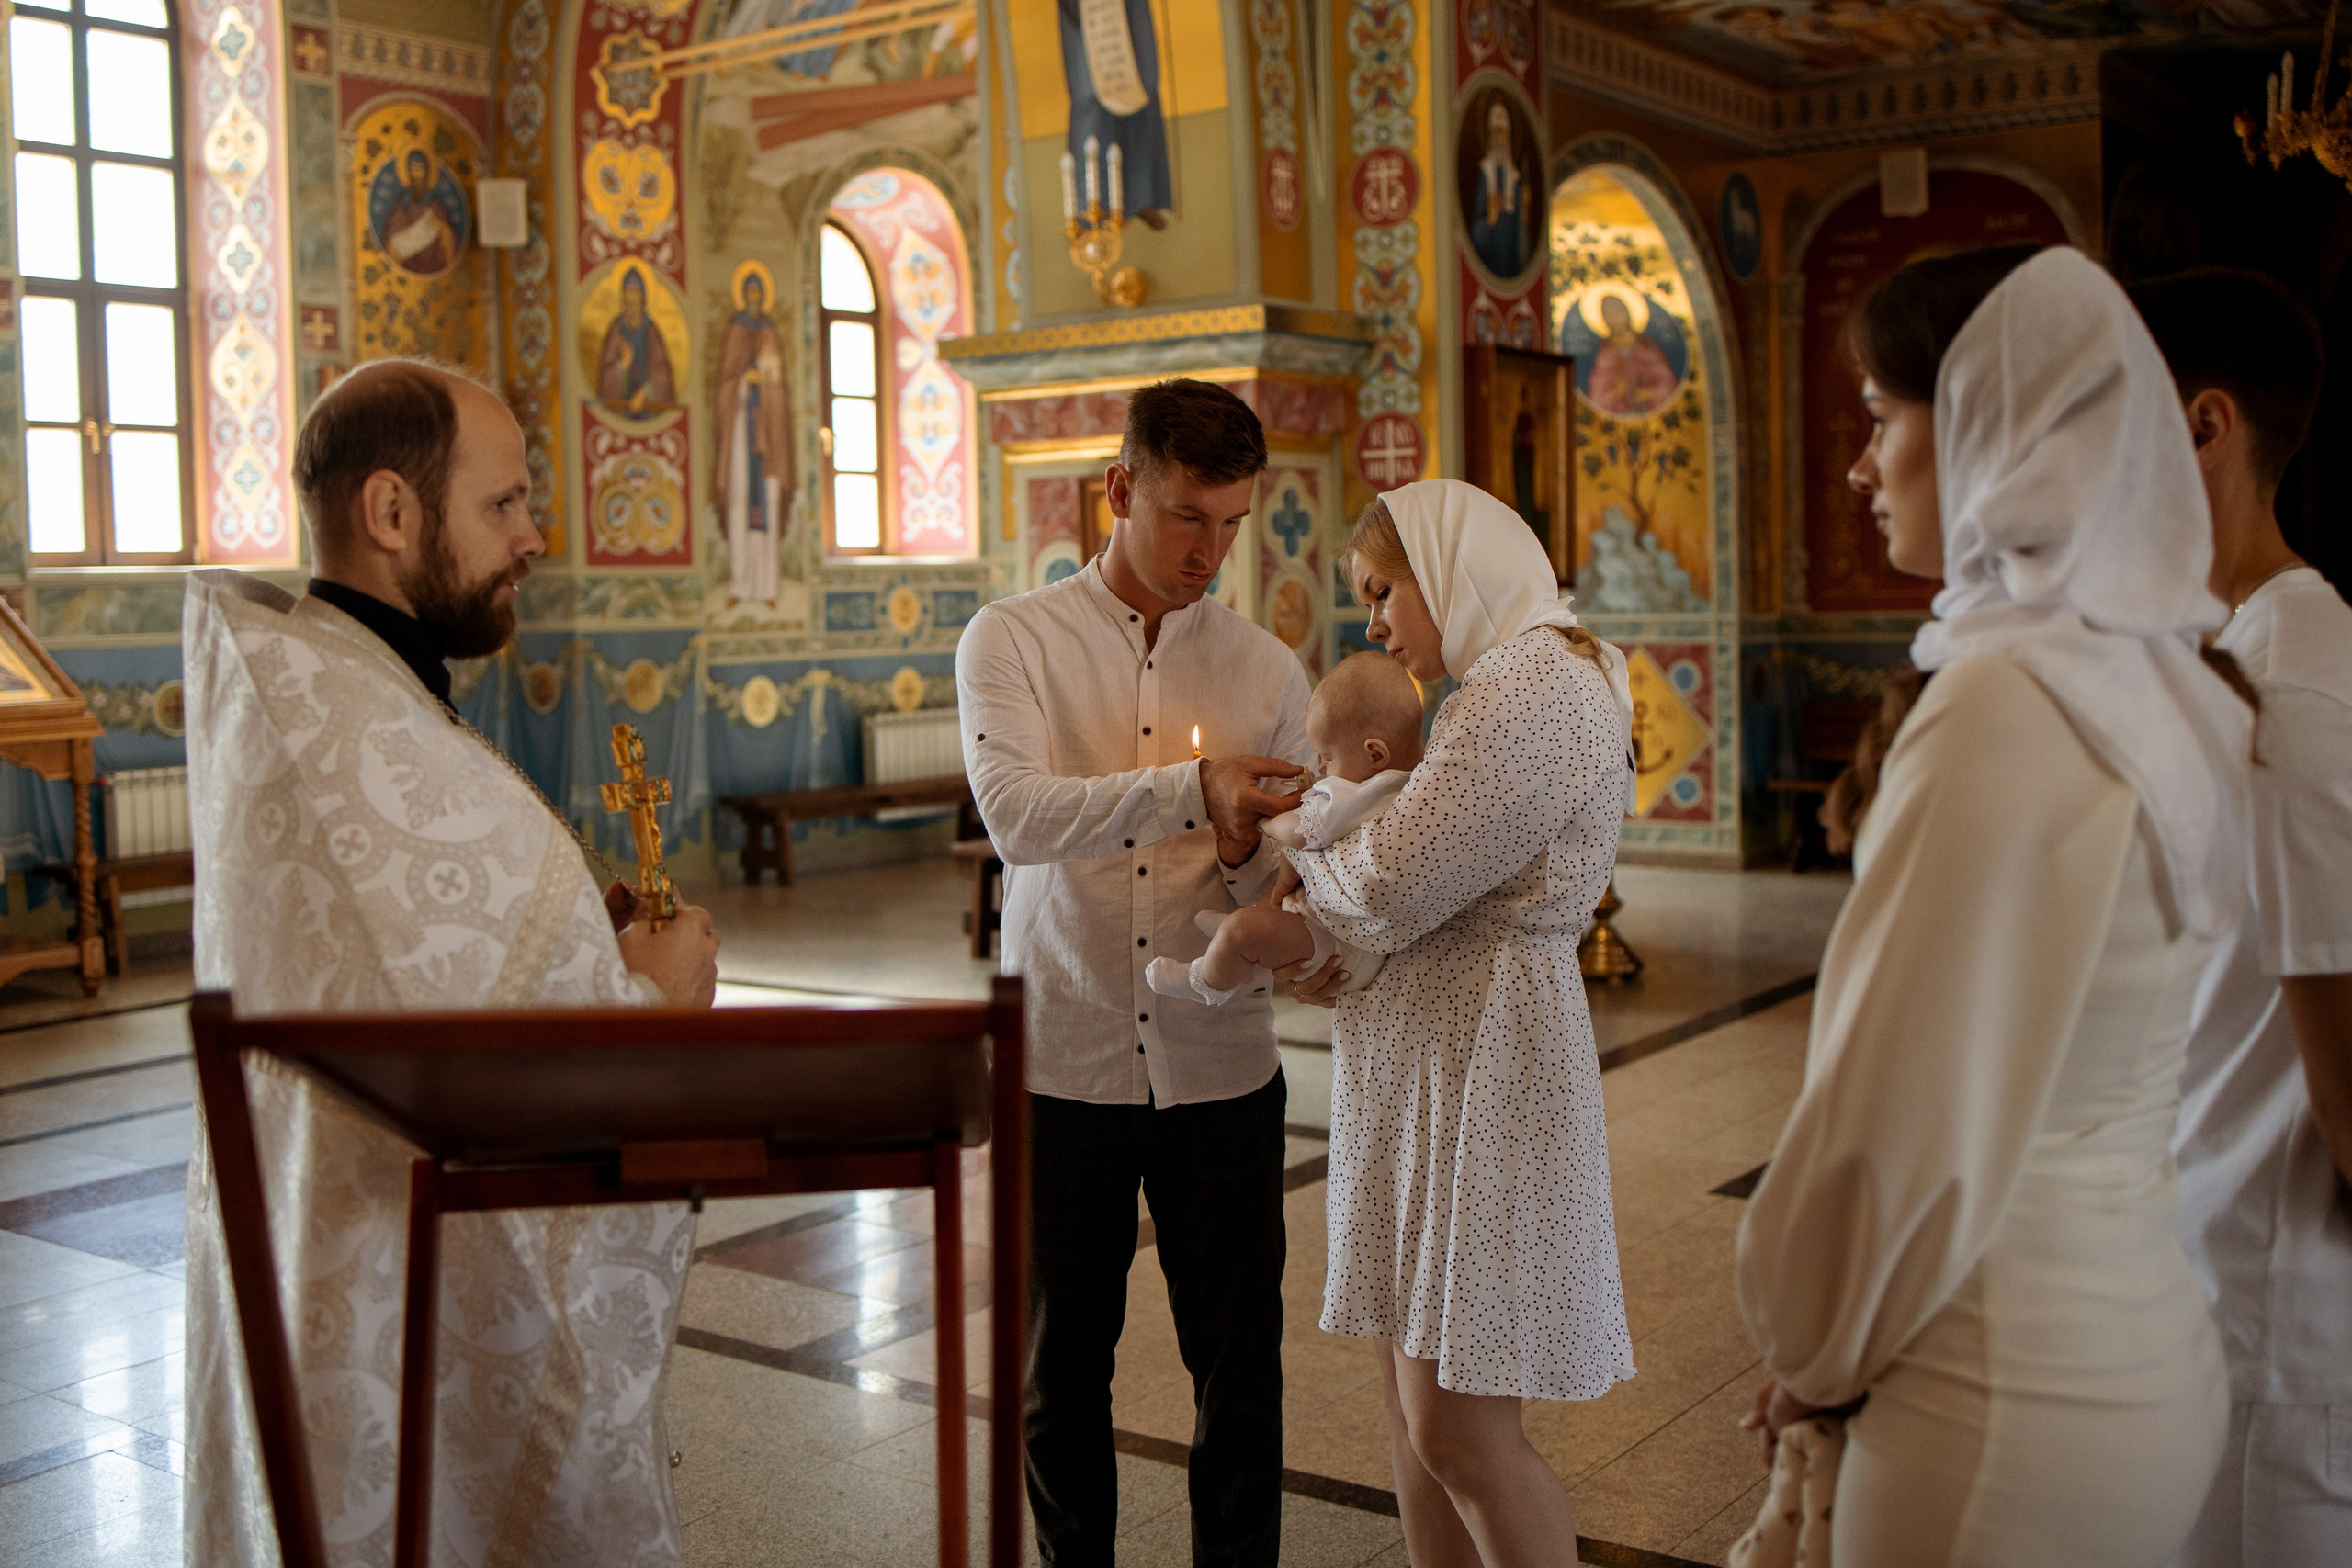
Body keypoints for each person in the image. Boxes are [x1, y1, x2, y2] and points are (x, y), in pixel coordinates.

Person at [1734, 244, 2256, 1566]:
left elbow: (1890, 1113)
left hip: (1994, 1390)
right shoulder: (2170, 685)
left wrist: (1810, 1347)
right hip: (2144, 1338)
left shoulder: (2003, 700)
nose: (1861, 465)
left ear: (1987, 422)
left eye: (1877, 416)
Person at [182, 360, 721, 1567]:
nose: (534, 535)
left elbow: (437, 976)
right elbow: (509, 1079)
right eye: (505, 504)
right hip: (384, 1312)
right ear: (390, 512)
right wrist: (654, 999)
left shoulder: (330, 698)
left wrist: (589, 938)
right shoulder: (361, 734)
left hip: (329, 1288)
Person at [956, 378, 1313, 1566]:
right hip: (1065, 1058)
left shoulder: (1266, 670)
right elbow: (1015, 815)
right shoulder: (1013, 639)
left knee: (1240, 1374)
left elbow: (1290, 884)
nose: (1211, 552)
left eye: (1231, 524)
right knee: (1061, 1374)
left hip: (1221, 1068)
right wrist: (1186, 790)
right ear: (1119, 490)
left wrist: (1240, 849)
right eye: (1185, 518)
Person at [1281, 479, 1638, 1568]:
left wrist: (1300, 868)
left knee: (1458, 1430)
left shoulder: (1529, 686)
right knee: (1409, 1407)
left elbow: (1393, 879)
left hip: (1486, 1063)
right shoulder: (1507, 678)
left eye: (1385, 592)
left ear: (1447, 569)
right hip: (1434, 1062)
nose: (1376, 623)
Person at [2132, 267, 2352, 1568]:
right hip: (2201, 1292)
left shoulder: (2295, 689)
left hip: (2278, 1327)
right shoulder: (2236, 658)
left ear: (2204, 426)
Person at [1146, 650, 1424, 1007]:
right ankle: (1244, 932)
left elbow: (1298, 832)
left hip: (1339, 945)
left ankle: (1206, 980)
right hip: (1358, 940)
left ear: (1374, 754)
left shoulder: (1358, 791)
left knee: (1241, 931)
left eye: (1326, 756)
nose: (1321, 767)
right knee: (1283, 887)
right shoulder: (1412, 783)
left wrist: (1265, 819)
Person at [715, 265, 791, 604]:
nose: (755, 301)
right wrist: (746, 382)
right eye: (750, 294)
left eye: (759, 295)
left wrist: (769, 385)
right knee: (739, 503)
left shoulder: (771, 332)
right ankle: (740, 586)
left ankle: (768, 587)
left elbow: (780, 388)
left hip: (768, 441)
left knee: (769, 505)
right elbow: (725, 383)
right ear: (744, 297)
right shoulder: (735, 330)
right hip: (741, 433)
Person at [597, 265, 675, 417]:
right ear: (623, 299)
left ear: (643, 299)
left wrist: (645, 392)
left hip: (648, 408)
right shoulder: (616, 330)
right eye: (628, 294)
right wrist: (622, 366)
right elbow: (606, 375)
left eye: (635, 294)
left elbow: (662, 374)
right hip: (621, 410)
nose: (631, 300)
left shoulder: (651, 331)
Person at [1469, 100, 1530, 277]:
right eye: (1495, 133)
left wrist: (1524, 208)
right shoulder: (1485, 172)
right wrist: (1490, 217)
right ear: (1489, 135)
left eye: (1502, 133)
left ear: (1508, 137)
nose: (1499, 138)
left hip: (1511, 252)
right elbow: (1476, 228)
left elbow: (1522, 228)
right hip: (1491, 251)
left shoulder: (1515, 178)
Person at [379, 148, 459, 276]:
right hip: (408, 262)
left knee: (448, 232)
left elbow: (447, 232)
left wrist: (439, 226)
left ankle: (448, 275)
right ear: (408, 173)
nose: (417, 174)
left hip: (434, 260)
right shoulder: (402, 205)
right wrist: (408, 232)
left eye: (420, 169)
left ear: (426, 173)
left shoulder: (435, 204)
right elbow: (392, 237)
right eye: (413, 169)